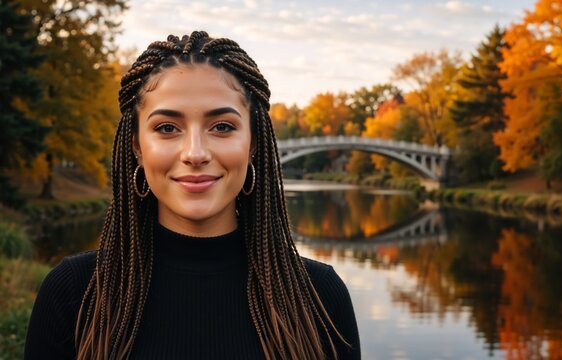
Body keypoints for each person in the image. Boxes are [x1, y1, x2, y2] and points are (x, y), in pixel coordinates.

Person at [24, 31, 360, 359]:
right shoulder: (73, 294)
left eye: (223, 127)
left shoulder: (319, 297)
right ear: (137, 147)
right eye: (167, 128)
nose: (195, 153)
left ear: (253, 144)